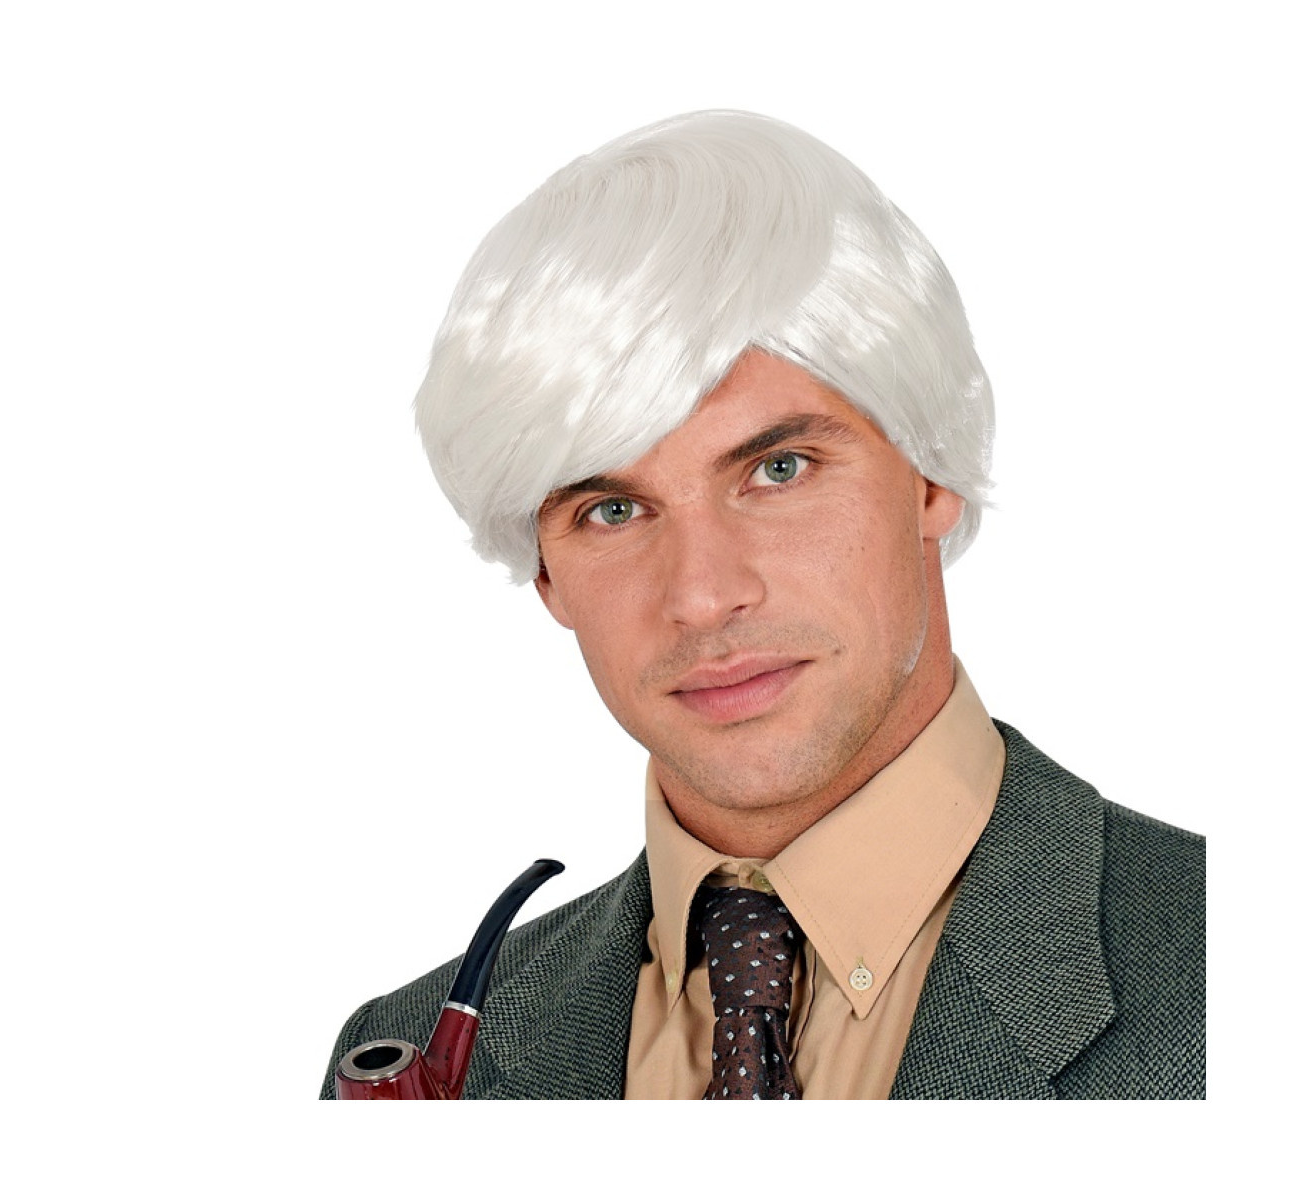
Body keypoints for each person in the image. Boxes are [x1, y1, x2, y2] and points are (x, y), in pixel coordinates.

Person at [320, 110, 1204, 1100]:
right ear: (546, 576)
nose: (702, 597)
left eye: (779, 468)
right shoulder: (407, 1059)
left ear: (932, 473)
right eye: (613, 510)